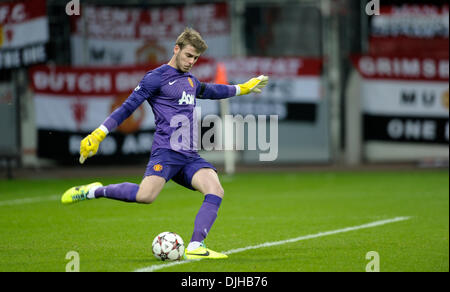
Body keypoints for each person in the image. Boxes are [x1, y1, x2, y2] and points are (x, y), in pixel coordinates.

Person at [61, 27, 268, 260]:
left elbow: (210, 90)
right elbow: (127, 107)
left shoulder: (190, 80)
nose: (191, 62)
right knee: (145, 196)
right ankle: (94, 191)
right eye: (188, 55)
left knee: (215, 189)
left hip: (189, 156)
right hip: (166, 152)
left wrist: (242, 88)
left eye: (196, 58)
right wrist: (99, 133)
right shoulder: (155, 78)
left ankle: (196, 246)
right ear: (176, 49)